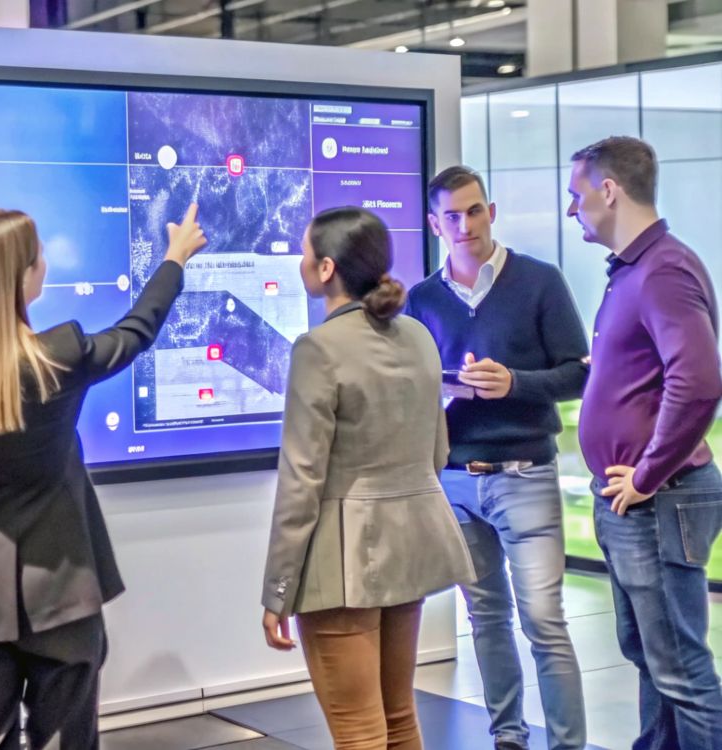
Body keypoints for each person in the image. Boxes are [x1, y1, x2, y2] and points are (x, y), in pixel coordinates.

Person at [0, 203, 206, 750]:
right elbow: (136, 331)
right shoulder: (59, 355)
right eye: (38, 254)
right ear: (21, 278)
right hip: (62, 592)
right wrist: (174, 259)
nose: (45, 261)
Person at [261, 206, 475, 750]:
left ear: (327, 268)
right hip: (410, 549)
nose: (300, 261)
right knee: (399, 718)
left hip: (344, 562)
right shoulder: (419, 338)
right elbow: (436, 451)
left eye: (305, 252)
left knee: (359, 731)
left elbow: (300, 482)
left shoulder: (318, 349)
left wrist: (278, 590)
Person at [405, 166, 589, 750]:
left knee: (544, 621)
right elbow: (410, 387)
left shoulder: (539, 281)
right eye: (452, 216)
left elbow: (575, 377)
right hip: (456, 480)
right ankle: (508, 736)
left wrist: (512, 384)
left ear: (492, 211)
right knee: (486, 619)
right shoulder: (422, 299)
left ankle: (567, 744)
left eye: (475, 210)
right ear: (435, 224)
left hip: (525, 475)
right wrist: (437, 390)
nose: (466, 225)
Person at [568, 136, 722, 749]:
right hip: (635, 500)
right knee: (651, 660)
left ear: (609, 191)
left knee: (681, 671)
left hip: (659, 498)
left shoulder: (663, 268)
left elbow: (700, 381)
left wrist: (647, 473)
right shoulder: (636, 270)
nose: (572, 210)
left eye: (576, 195)